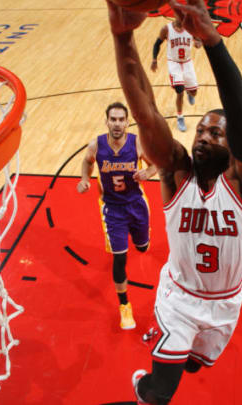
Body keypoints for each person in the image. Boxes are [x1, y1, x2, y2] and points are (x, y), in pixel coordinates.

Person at [107, 0, 242, 403]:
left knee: (195, 364)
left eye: (215, 133)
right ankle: (142, 387)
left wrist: (213, 41)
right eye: (200, 130)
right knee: (161, 392)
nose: (203, 137)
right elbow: (145, 113)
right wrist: (123, 37)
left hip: (226, 303)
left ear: (232, 149)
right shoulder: (178, 173)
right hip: (180, 297)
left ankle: (182, 353)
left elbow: (241, 116)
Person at [76, 101, 157, 331]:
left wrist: (148, 172)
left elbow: (156, 166)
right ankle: (124, 305)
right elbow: (86, 161)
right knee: (119, 258)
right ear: (107, 121)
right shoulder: (96, 145)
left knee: (142, 248)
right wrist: (84, 179)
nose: (117, 123)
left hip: (136, 205)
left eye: (122, 119)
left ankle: (142, 236)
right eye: (113, 119)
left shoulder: (137, 143)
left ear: (127, 122)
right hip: (113, 210)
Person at [150, 17, 201, 132]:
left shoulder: (191, 28)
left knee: (194, 92)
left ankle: (190, 92)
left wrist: (198, 43)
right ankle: (180, 117)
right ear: (175, 14)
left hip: (187, 62)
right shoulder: (166, 29)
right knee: (179, 91)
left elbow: (199, 40)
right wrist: (154, 60)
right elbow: (156, 44)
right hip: (174, 63)